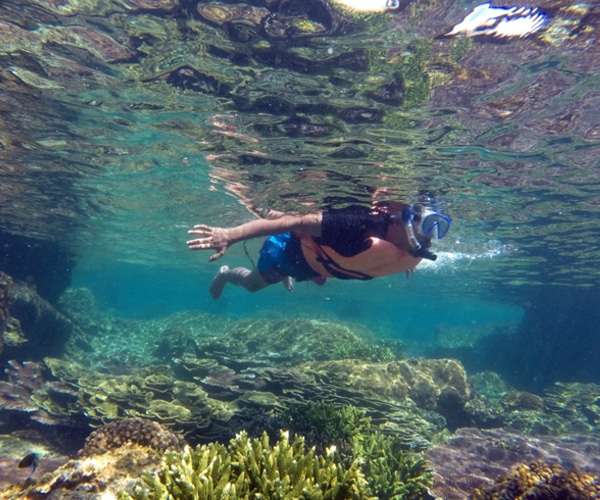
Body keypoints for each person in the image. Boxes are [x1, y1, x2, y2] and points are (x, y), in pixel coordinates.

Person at [186, 201, 451, 300]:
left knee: (317, 276)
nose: (430, 240)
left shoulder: (411, 251)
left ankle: (299, 274)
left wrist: (408, 262)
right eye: (426, 228)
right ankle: (224, 274)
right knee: (252, 285)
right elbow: (291, 221)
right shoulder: (354, 226)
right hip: (289, 253)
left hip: (319, 264)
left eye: (438, 230)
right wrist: (230, 235)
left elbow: (409, 250)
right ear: (400, 222)